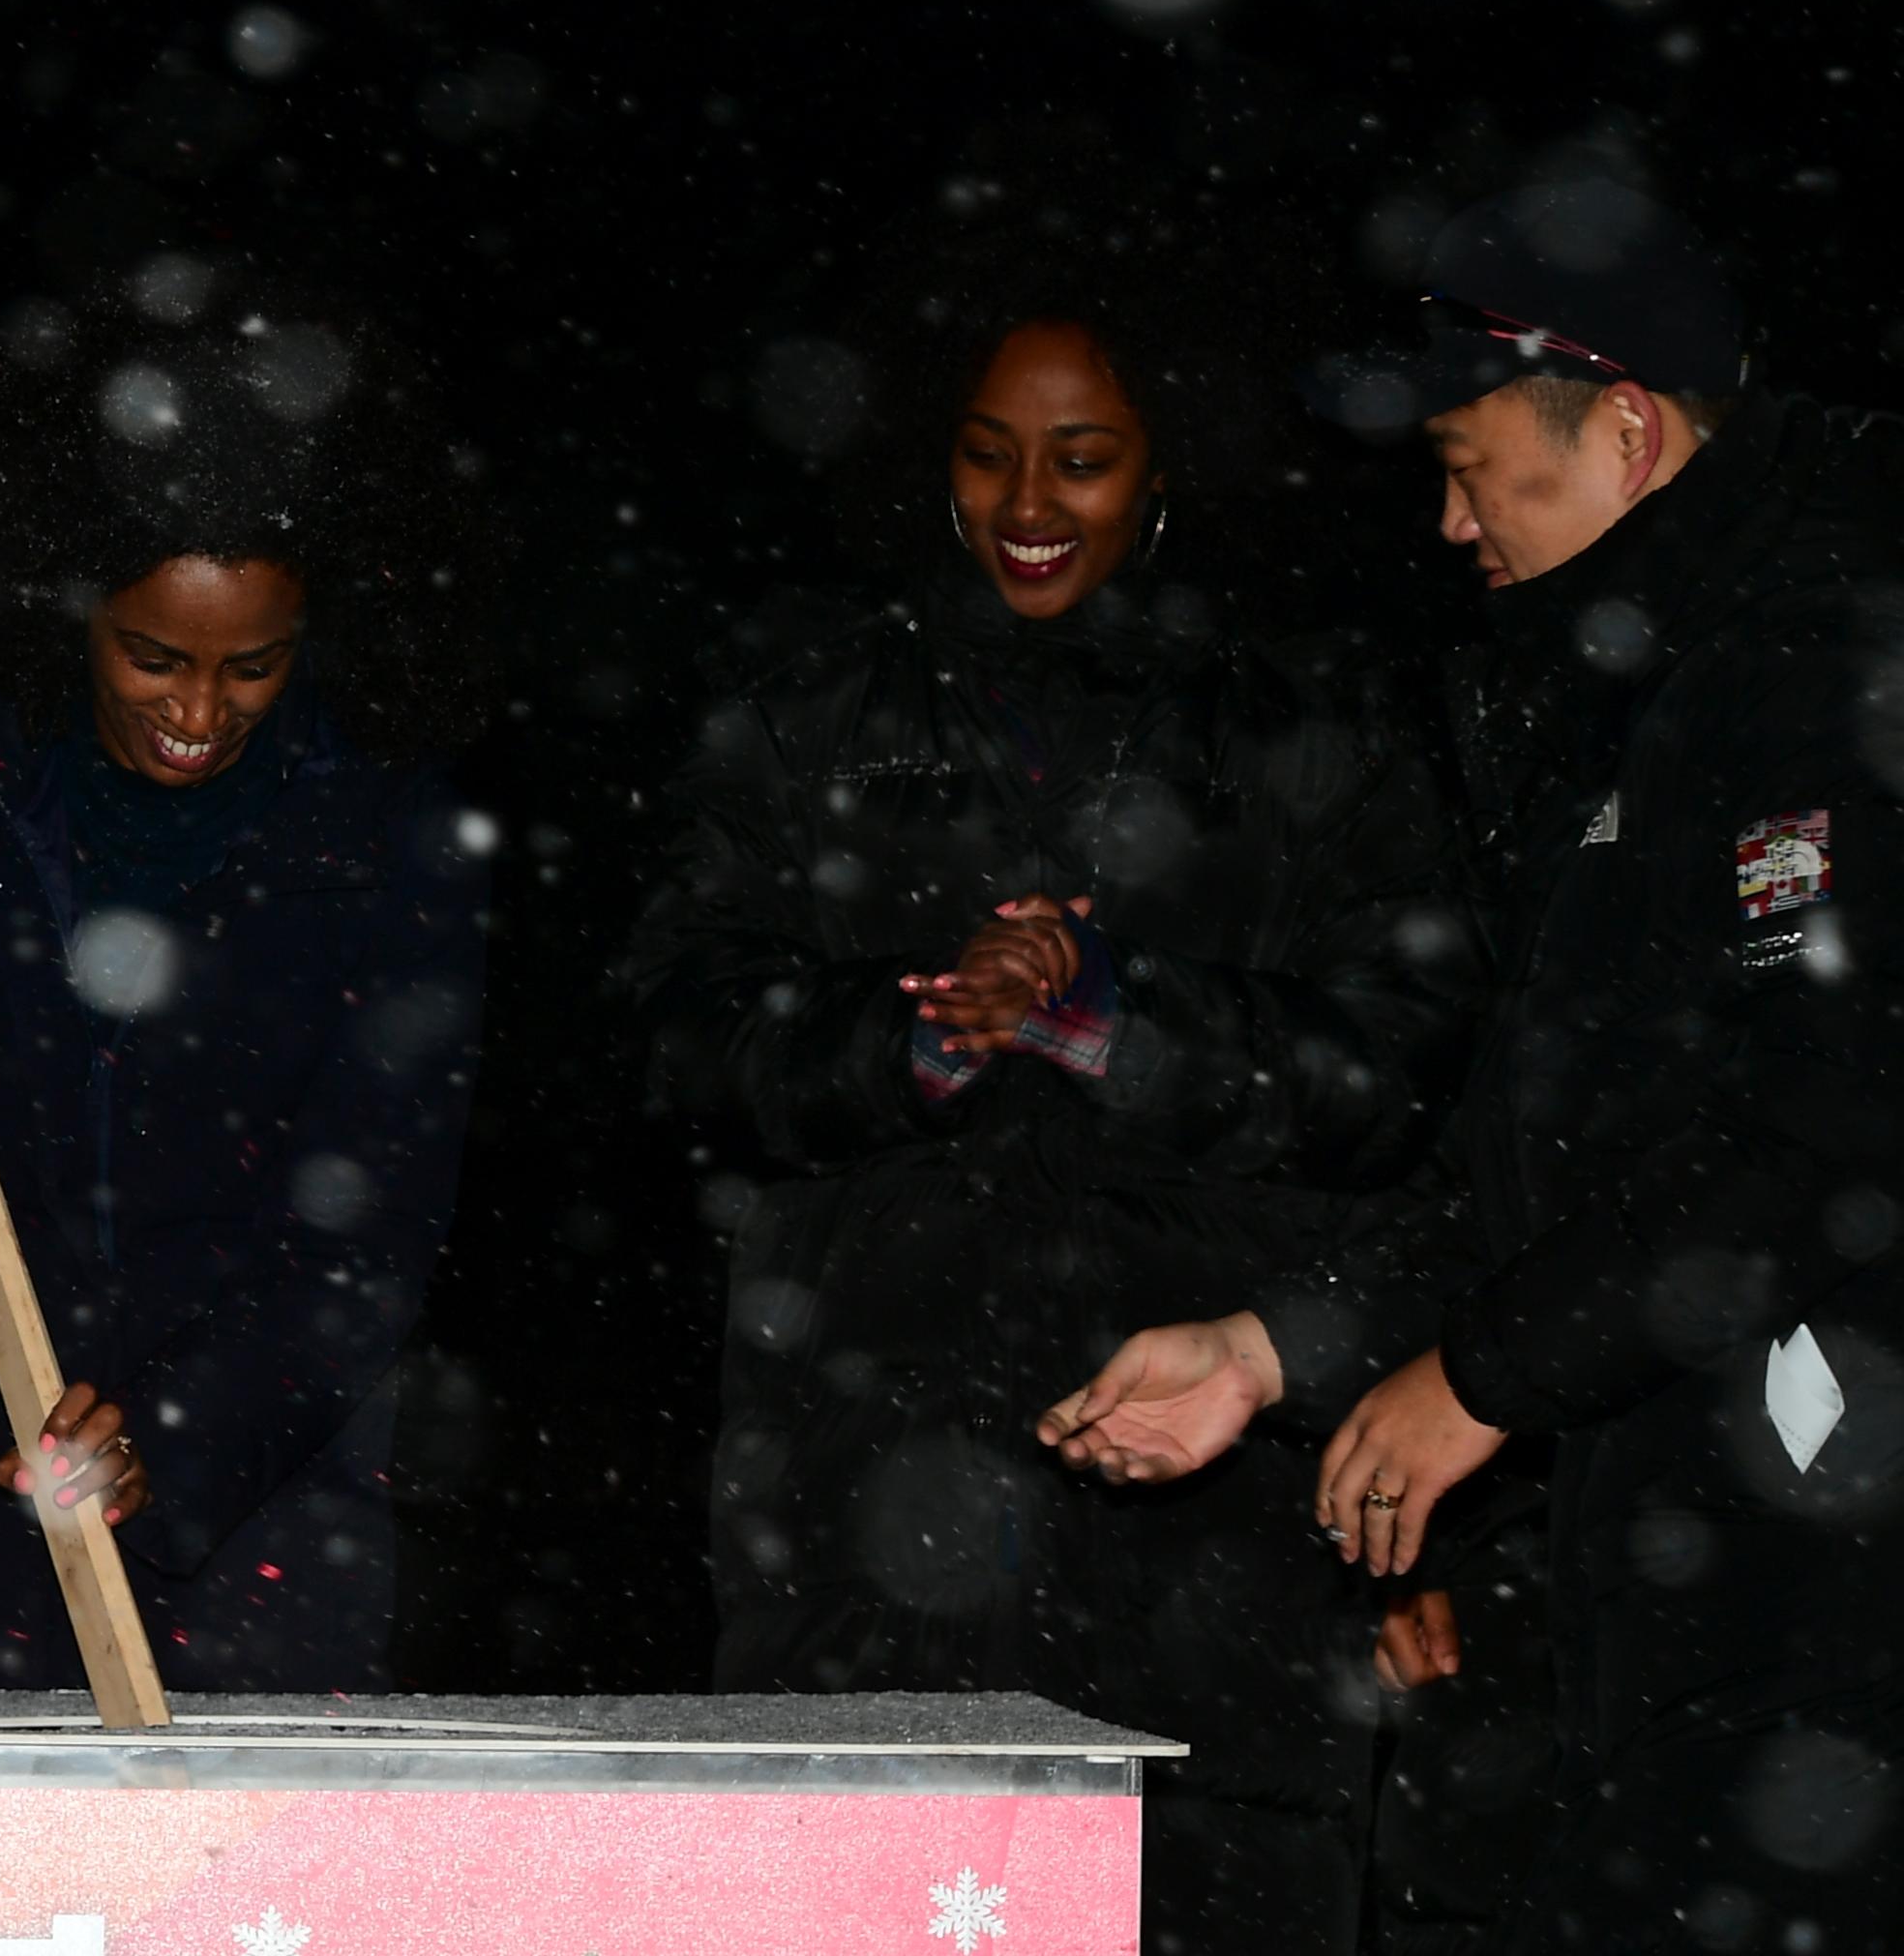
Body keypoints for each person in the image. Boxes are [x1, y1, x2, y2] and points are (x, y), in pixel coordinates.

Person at [1045, 180, 1904, 1950]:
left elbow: (1823, 1130)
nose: (1446, 522)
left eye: (1471, 461)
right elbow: (1560, 1158)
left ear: (1631, 429)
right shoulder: (1638, 701)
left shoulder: (1825, 672)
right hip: (1694, 1591)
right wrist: (1277, 1346)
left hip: (1836, 1606)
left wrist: (1487, 1380)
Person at [624, 215, 1482, 1956]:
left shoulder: (1310, 723)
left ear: (1170, 464)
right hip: (856, 1493)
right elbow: (670, 1046)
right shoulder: (805, 708)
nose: (1030, 501)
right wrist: (918, 1029)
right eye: (987, 451)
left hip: (1205, 1534)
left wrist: (1114, 1015)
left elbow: (1404, 1084)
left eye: (1082, 460)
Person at [0, 270, 497, 1693]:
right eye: (153, 658)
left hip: (253, 1562)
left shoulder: (387, 845)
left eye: (251, 668)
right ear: (71, 605)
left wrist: (180, 1438)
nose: (200, 713)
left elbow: (372, 1237)